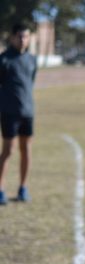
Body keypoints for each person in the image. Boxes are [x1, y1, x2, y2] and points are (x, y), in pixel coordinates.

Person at [0, 23, 37, 205]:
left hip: (28, 112)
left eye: (26, 36)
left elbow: (30, 82)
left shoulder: (32, 59)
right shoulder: (4, 59)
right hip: (9, 112)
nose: (23, 40)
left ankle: (23, 188)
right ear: (13, 37)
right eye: (20, 36)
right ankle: (0, 188)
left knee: (26, 151)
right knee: (8, 151)